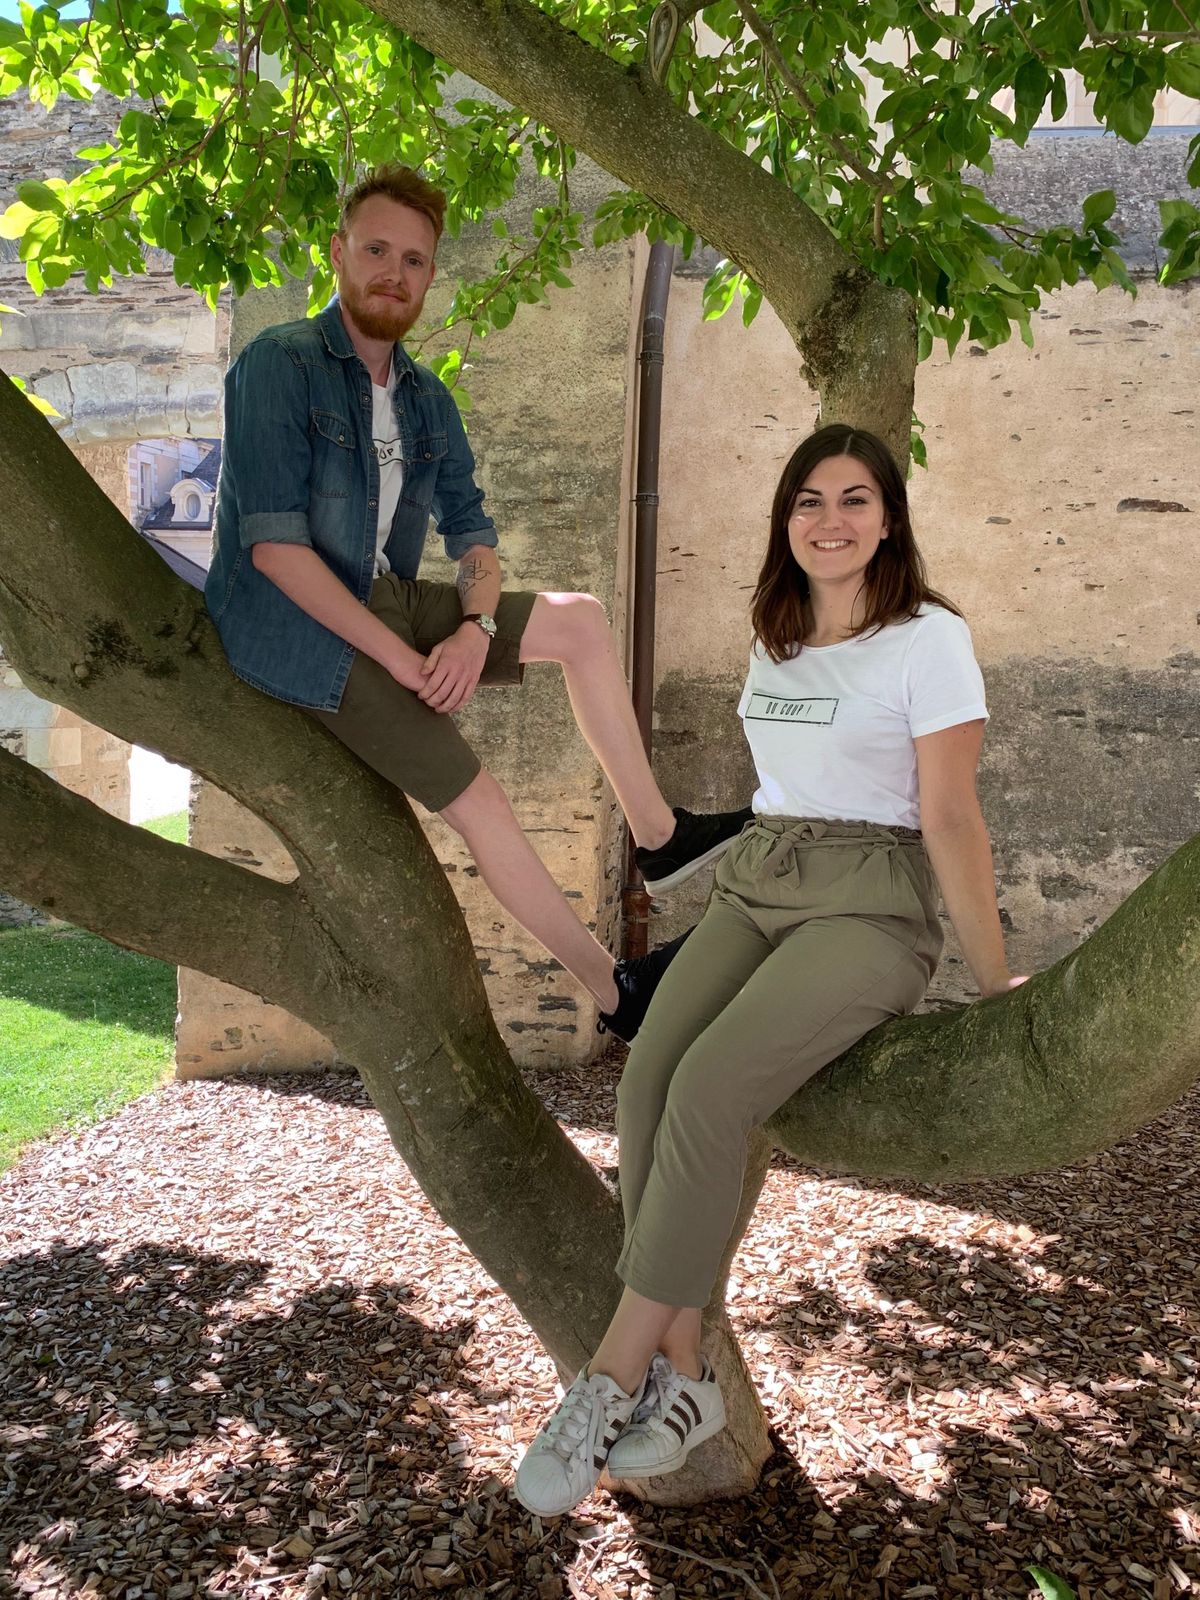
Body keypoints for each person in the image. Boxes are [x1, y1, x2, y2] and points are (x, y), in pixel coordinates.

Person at [514, 422, 1030, 1516]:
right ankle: (689, 1368)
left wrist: (994, 979)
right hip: (763, 878)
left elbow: (948, 812)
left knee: (712, 1090)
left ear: (889, 518)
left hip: (870, 900)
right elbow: (781, 788)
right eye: (808, 500)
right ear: (785, 521)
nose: (828, 520)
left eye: (853, 499)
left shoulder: (930, 639)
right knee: (649, 1071)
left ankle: (605, 1382)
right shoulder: (778, 631)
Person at [205, 164, 749, 1041]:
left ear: (429, 275)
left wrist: (474, 629)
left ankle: (659, 835)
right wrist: (403, 658)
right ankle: (617, 995)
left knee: (581, 619)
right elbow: (273, 551)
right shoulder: (281, 365)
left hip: (381, 597)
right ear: (339, 253)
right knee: (482, 799)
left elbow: (476, 543)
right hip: (295, 628)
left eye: (414, 260)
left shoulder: (426, 400)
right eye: (377, 250)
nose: (395, 272)